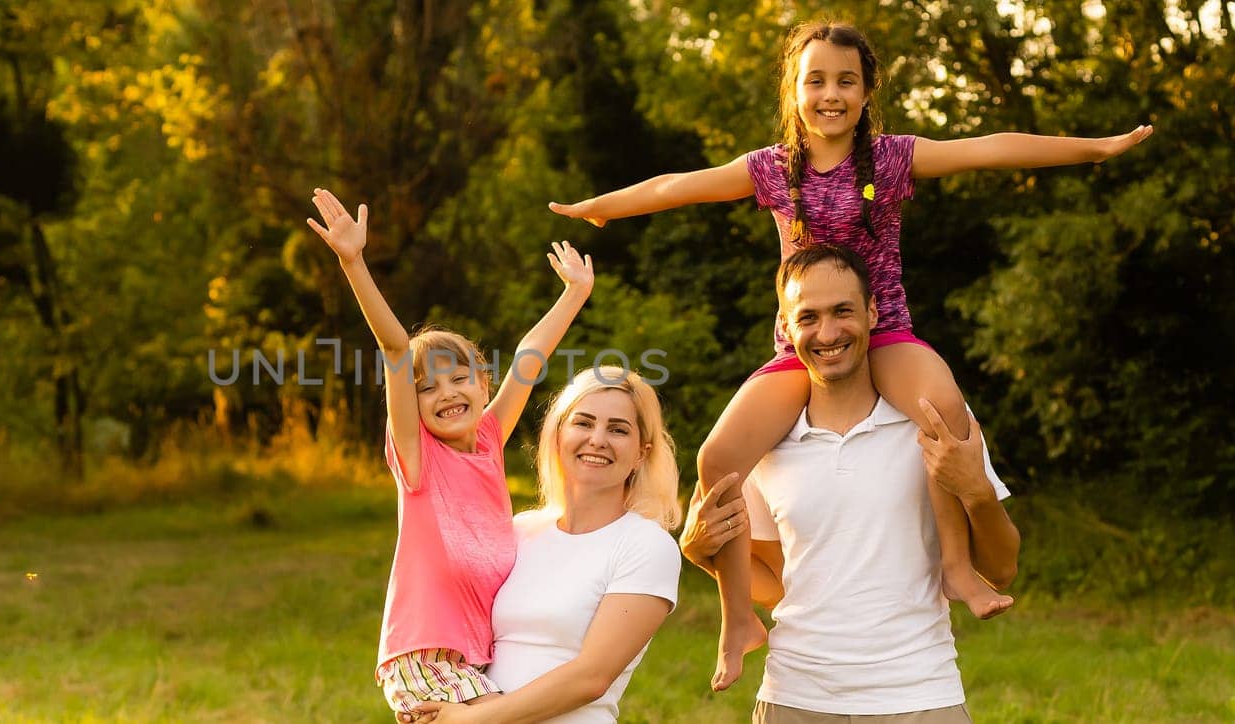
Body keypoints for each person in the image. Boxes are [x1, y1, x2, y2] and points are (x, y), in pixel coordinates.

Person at [549, 20, 1147, 690]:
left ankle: (955, 564)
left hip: (882, 331)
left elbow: (988, 149)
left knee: (940, 407)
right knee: (717, 458)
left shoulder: (890, 160)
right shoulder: (771, 170)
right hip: (801, 344)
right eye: (816, 81)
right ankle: (738, 619)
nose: (830, 94)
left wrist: (1093, 148)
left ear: (866, 93)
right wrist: (604, 207)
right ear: (795, 90)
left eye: (845, 81)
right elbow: (676, 186)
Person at [682, 244, 1020, 723]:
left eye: (843, 311)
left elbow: (1003, 570)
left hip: (921, 696)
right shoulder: (765, 445)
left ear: (873, 312)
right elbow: (781, 586)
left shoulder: (931, 422)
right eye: (809, 317)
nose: (828, 333)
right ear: (786, 326)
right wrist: (701, 554)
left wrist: (978, 492)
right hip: (795, 699)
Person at [305, 188, 597, 716]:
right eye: (428, 388)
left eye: (460, 379)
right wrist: (353, 262)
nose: (448, 394)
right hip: (422, 659)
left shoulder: (488, 443)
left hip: (472, 662)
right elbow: (396, 349)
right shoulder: (418, 461)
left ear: (484, 387)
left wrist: (574, 293)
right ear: (411, 406)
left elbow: (529, 360)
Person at [405, 366, 687, 723]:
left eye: (618, 429)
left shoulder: (646, 545)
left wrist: (472, 720)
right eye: (583, 423)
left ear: (641, 453)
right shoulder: (519, 531)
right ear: (557, 435)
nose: (597, 439)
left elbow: (591, 678)